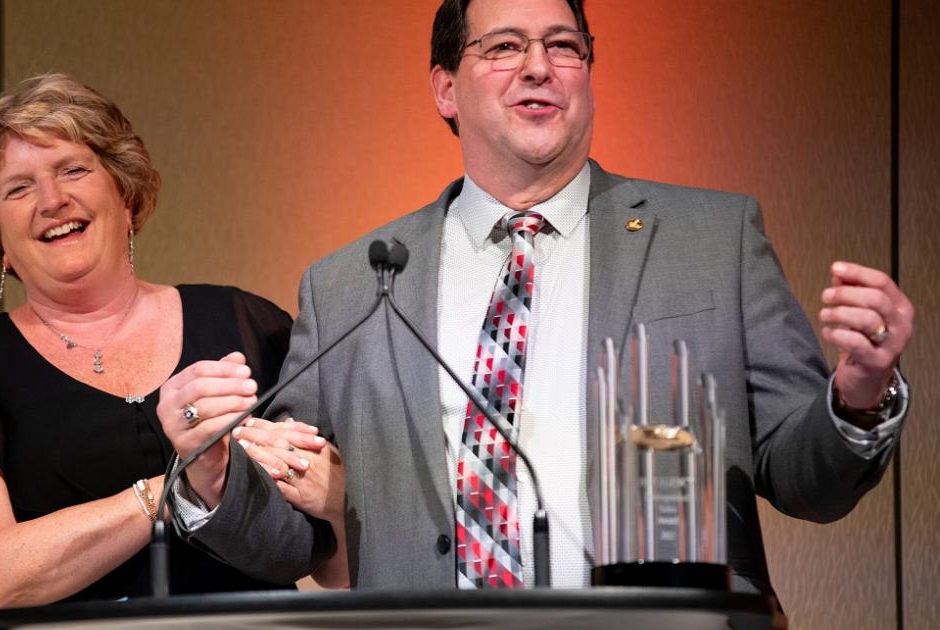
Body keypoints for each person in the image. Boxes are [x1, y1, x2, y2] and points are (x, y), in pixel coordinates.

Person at [162, 0, 915, 600]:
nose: (538, 67)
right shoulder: (351, 284)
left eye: (564, 46)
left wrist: (857, 397)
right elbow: (294, 540)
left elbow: (808, 482)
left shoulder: (713, 240)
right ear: (445, 88)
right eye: (503, 46)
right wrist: (210, 474)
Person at [0, 73, 332, 611]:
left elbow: (329, 551)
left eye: (73, 170)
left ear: (126, 195)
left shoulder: (248, 323)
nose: (52, 200)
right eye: (19, 188)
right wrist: (174, 488)